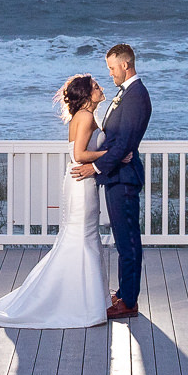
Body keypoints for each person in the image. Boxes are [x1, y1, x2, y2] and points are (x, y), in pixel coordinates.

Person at [0, 73, 111, 328]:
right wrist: (111, 153)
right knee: (81, 237)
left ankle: (86, 301)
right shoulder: (86, 116)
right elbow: (80, 154)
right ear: (85, 95)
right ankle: (82, 305)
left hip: (80, 181)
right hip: (81, 183)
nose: (100, 88)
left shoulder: (83, 117)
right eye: (95, 86)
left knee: (84, 237)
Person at [70, 43, 150, 319]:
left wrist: (95, 167)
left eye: (112, 68)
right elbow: (116, 142)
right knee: (122, 239)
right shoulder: (124, 95)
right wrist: (107, 160)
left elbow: (125, 142)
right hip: (117, 175)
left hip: (124, 178)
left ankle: (129, 301)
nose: (111, 74)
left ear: (125, 65)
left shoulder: (136, 95)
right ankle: (125, 292)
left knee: (128, 240)